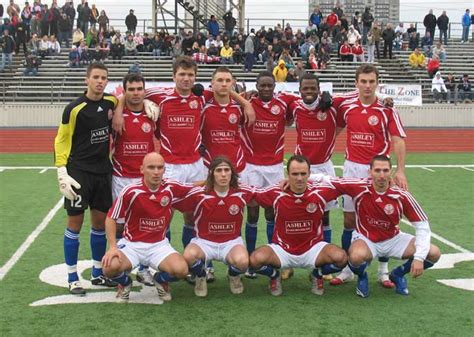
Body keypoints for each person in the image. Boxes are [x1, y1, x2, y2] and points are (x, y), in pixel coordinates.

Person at [113, 57, 255, 282]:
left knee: (193, 216)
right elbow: (128, 94)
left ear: (195, 77)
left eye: (190, 75)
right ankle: (149, 265)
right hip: (170, 166)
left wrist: (245, 103)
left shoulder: (201, 95)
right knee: (161, 214)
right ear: (174, 76)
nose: (186, 79)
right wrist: (119, 111)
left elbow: (225, 92)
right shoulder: (160, 94)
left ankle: (198, 265)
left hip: (197, 166)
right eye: (182, 74)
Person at [331, 64, 407, 288]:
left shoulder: (387, 108)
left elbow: (398, 139)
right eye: (363, 81)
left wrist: (400, 170)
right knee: (348, 219)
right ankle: (347, 269)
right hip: (352, 169)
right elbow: (333, 125)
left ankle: (383, 272)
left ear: (377, 83)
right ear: (356, 83)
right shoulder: (346, 105)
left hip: (378, 171)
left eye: (371, 81)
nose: (367, 85)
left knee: (384, 219)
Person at [327, 155, 441, 297]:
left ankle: (397, 274)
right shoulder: (359, 186)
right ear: (370, 172)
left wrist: (418, 258)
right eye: (377, 170)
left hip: (393, 239)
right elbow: (330, 180)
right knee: (355, 257)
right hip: (366, 239)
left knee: (433, 253)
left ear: (391, 172)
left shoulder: (401, 195)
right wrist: (300, 179)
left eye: (385, 170)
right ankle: (362, 277)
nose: (381, 175)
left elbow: (422, 225)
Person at [54, 62, 119, 295]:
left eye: (104, 78)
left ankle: (97, 273)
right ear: (87, 80)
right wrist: (61, 169)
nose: (100, 81)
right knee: (75, 223)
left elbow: (122, 102)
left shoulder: (111, 102)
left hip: (103, 171)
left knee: (100, 224)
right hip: (79, 172)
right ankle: (72, 277)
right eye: (96, 77)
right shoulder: (74, 108)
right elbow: (61, 139)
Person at [249, 155, 348, 296]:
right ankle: (273, 276)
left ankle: (317, 274)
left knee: (342, 258)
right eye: (295, 174)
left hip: (313, 250)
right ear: (287, 175)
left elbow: (343, 183)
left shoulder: (320, 192)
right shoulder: (276, 193)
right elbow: (249, 192)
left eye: (303, 174)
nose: (299, 178)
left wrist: (315, 178)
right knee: (254, 260)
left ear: (309, 174)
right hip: (282, 251)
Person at [102, 152, 192, 302]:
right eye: (151, 167)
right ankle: (125, 283)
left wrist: (217, 181)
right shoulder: (130, 191)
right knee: (109, 267)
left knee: (181, 270)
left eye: (160, 168)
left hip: (158, 245)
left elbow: (193, 187)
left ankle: (160, 279)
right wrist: (112, 247)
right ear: (142, 169)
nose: (156, 172)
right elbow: (111, 218)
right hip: (132, 245)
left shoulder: (171, 187)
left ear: (164, 169)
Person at [240, 72, 294, 278]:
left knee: (272, 212)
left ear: (274, 86)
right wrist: (244, 97)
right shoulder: (247, 102)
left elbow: (301, 107)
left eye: (269, 85)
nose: (265, 89)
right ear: (256, 85)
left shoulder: (282, 104)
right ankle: (252, 258)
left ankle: (272, 255)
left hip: (274, 167)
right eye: (261, 85)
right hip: (251, 166)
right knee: (252, 212)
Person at [175, 157, 254, 297]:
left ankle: (233, 275)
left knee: (243, 262)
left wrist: (288, 183)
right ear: (211, 173)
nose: (223, 174)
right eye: (218, 170)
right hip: (204, 242)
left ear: (232, 173)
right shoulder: (200, 194)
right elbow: (171, 200)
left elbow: (268, 194)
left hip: (231, 242)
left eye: (226, 170)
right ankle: (201, 276)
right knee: (188, 256)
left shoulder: (242, 192)